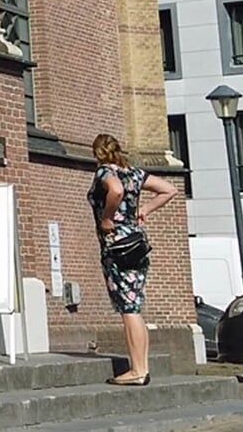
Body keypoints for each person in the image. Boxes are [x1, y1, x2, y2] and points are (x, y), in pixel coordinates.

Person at [87, 133, 179, 385]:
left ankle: (137, 370)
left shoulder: (104, 172)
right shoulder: (135, 174)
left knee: (128, 310)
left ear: (97, 154)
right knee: (134, 306)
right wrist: (144, 210)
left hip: (116, 246)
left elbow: (115, 190)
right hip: (137, 244)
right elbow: (169, 189)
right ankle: (142, 366)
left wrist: (107, 217)